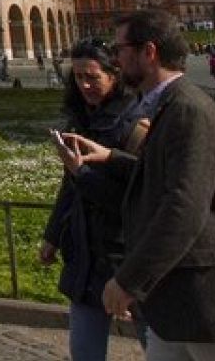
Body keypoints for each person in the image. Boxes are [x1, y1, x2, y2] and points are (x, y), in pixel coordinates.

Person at [63, 9, 215, 360]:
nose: (116, 57)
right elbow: (161, 176)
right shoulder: (170, 106)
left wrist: (128, 280)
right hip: (178, 302)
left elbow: (183, 207)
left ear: (149, 52)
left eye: (121, 48)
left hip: (213, 302)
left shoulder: (188, 110)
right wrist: (110, 156)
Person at [41, 41, 150, 360]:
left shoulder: (138, 127)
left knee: (157, 345)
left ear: (114, 75)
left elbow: (139, 199)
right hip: (86, 255)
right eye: (77, 77)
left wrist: (82, 173)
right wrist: (52, 235)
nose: (84, 85)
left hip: (130, 256)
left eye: (91, 77)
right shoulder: (81, 120)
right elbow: (69, 184)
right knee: (84, 353)